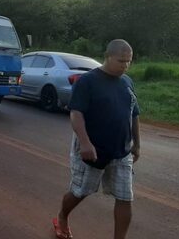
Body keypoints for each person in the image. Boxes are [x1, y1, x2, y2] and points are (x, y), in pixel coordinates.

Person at [54, 39, 140, 239]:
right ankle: (62, 216)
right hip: (92, 148)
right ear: (107, 56)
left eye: (129, 61)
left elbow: (134, 114)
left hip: (121, 150)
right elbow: (76, 113)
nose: (125, 65)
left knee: (125, 197)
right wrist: (85, 143)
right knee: (80, 191)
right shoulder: (88, 82)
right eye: (121, 61)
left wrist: (137, 144)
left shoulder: (127, 82)